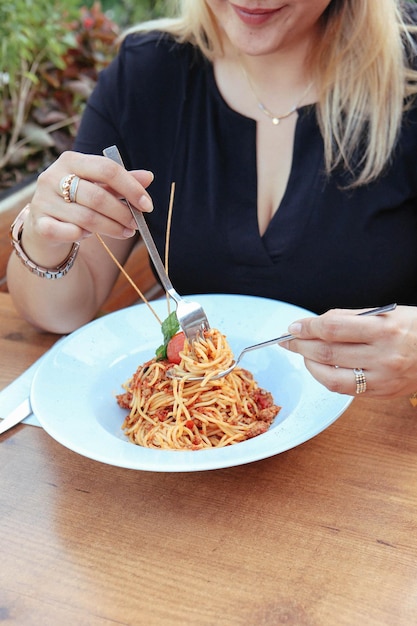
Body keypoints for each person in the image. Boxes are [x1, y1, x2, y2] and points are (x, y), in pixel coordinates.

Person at [6, 0, 417, 399]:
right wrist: (46, 236)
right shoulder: (147, 74)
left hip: (387, 439)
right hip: (193, 452)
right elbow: (59, 313)